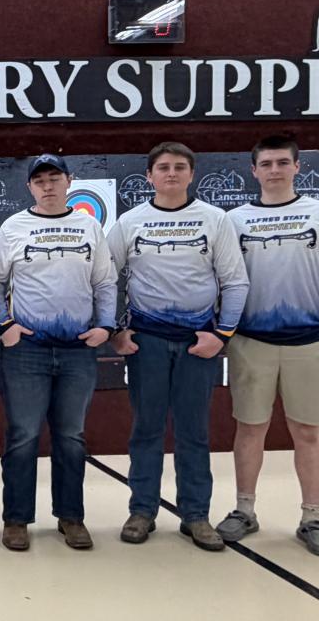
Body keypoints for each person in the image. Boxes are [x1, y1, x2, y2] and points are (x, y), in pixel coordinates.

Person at [217, 135, 319, 557]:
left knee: (308, 431)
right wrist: (227, 332)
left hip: (310, 343)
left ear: (298, 167)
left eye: (283, 162)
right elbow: (219, 279)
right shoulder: (233, 220)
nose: (275, 170)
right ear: (254, 170)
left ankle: (312, 518)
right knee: (249, 428)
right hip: (251, 342)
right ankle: (245, 511)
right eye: (267, 163)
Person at [109, 141, 249, 551]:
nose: (171, 173)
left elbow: (235, 281)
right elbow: (103, 278)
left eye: (179, 167)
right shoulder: (129, 222)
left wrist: (221, 335)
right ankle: (142, 511)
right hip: (147, 341)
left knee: (194, 431)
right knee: (146, 429)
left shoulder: (214, 219)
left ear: (192, 174)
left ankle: (196, 515)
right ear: (149, 176)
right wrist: (116, 330)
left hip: (197, 343)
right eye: (164, 167)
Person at [0, 153, 117, 552]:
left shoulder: (89, 226)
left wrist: (105, 326)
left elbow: (105, 282)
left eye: (54, 178)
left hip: (78, 350)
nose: (47, 186)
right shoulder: (13, 227)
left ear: (69, 181)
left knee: (71, 437)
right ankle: (16, 519)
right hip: (26, 351)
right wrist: (5, 326)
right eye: (40, 180)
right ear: (29, 186)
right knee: (23, 436)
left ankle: (71, 517)